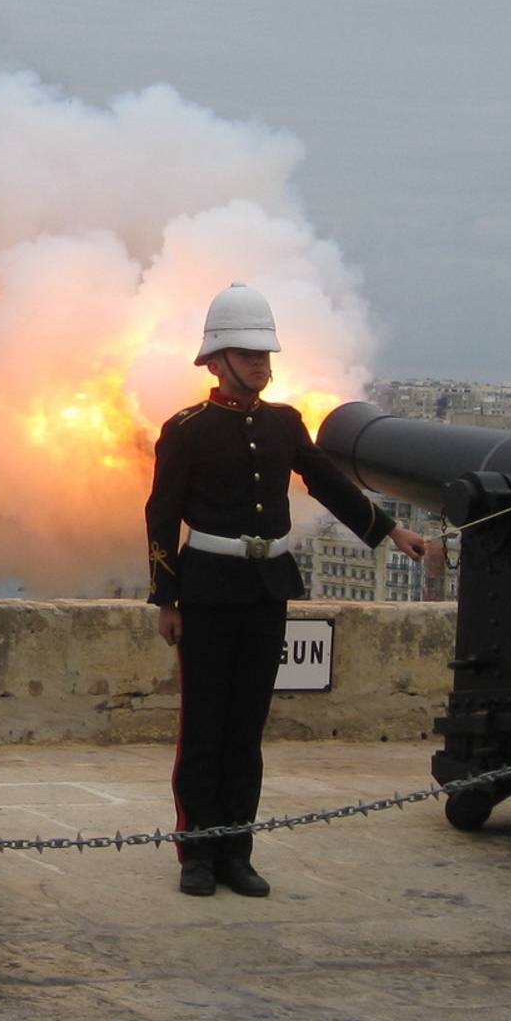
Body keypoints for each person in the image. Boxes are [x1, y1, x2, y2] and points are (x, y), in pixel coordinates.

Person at [144, 283, 426, 897]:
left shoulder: (285, 423)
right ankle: (196, 850)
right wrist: (166, 598)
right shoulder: (186, 429)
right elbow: (162, 516)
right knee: (204, 730)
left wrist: (388, 528)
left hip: (267, 588)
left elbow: (326, 481)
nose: (259, 365)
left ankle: (235, 850)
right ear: (216, 361)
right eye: (247, 355)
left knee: (246, 730)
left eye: (264, 355)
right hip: (208, 591)